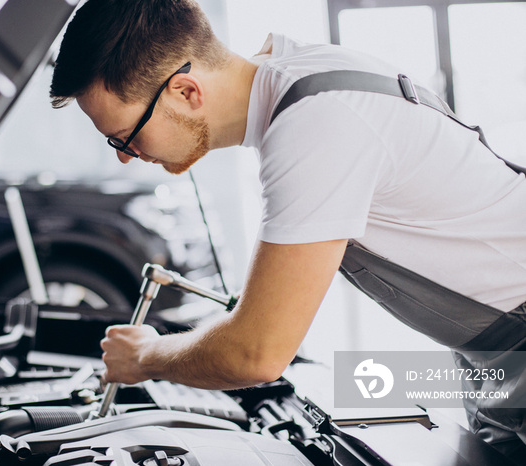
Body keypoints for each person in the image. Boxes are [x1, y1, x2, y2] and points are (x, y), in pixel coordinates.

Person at [49, 0, 526, 459]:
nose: (124, 155)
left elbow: (256, 353)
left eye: (125, 136)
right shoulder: (295, 73)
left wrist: (148, 357)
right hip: (490, 354)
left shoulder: (313, 122)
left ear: (186, 92)